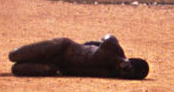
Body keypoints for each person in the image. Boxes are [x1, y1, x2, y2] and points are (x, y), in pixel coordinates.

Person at [9, 34, 149, 79]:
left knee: (17, 70)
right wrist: (92, 45)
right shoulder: (114, 50)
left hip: (58, 66)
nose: (123, 71)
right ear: (128, 60)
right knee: (14, 55)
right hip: (61, 47)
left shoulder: (112, 73)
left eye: (127, 75)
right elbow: (108, 36)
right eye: (127, 67)